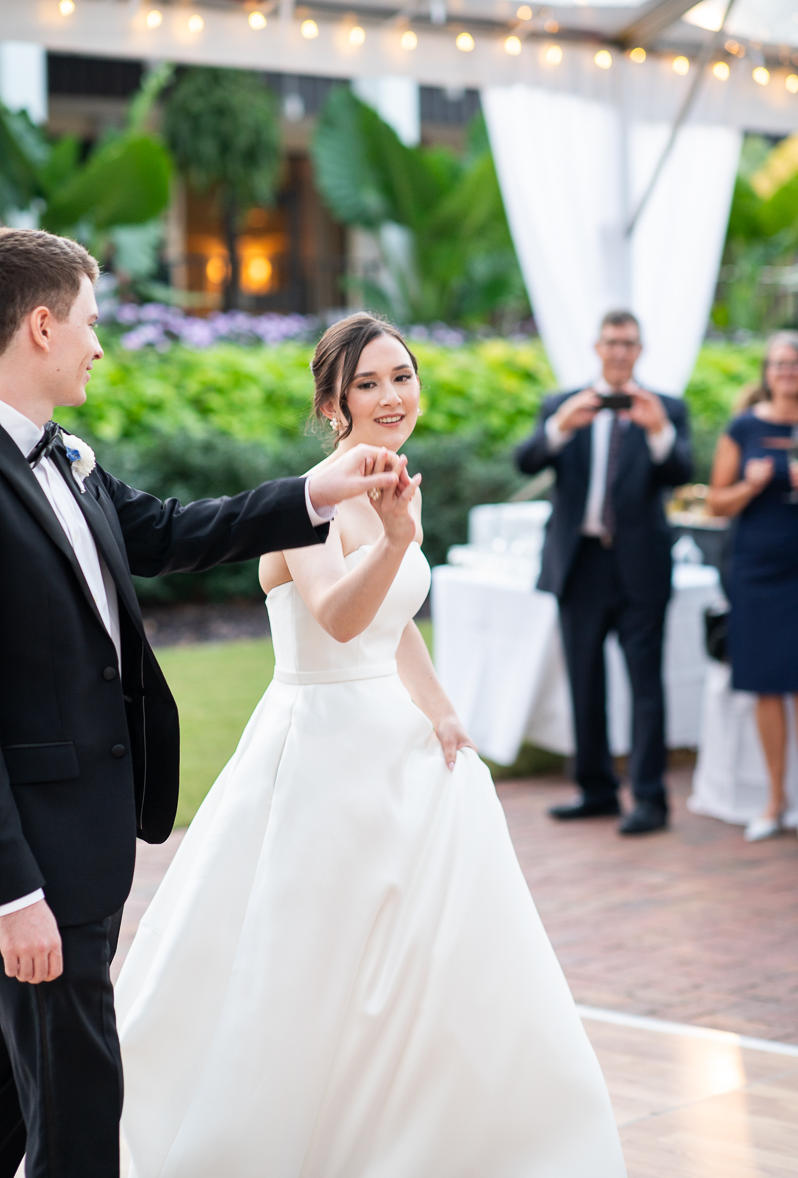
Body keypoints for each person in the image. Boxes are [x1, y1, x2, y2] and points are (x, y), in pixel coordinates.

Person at [116, 313, 626, 1178]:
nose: (392, 397)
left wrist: (443, 711)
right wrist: (394, 539)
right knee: (310, 963)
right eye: (368, 383)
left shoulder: (397, 484)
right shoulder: (298, 508)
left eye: (402, 376)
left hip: (397, 753)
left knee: (428, 967)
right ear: (332, 404)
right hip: (317, 756)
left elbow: (397, 628)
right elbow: (343, 617)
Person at [0, 228, 405, 1178]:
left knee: (28, 1098)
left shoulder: (70, 459)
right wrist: (12, 890)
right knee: (77, 1108)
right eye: (93, 325)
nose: (101, 346)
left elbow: (175, 533)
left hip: (84, 842)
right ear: (43, 324)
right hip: (35, 867)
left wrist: (316, 488)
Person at [515, 311, 692, 835]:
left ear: (640, 350)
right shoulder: (564, 405)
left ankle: (651, 799)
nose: (619, 352)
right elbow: (524, 461)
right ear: (597, 347)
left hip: (641, 565)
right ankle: (595, 790)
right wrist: (560, 427)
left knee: (646, 686)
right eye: (612, 342)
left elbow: (682, 471)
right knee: (584, 682)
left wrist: (658, 429)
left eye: (629, 344)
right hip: (582, 563)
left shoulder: (666, 408)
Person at [707, 330, 798, 842]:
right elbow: (716, 503)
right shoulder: (744, 428)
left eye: (796, 363)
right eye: (780, 363)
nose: (788, 371)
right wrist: (752, 484)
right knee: (767, 685)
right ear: (767, 370)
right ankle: (773, 799)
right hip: (759, 572)